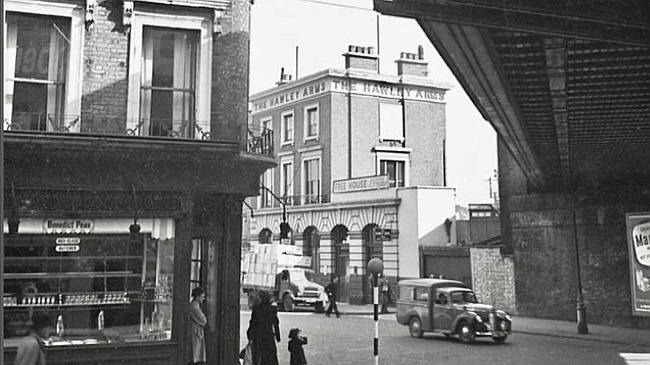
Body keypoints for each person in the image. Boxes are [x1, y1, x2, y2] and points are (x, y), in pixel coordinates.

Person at [247, 290, 280, 365]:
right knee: (270, 355)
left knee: (259, 356)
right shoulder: (272, 309)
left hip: (259, 336)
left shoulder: (256, 309)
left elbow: (253, 324)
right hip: (269, 335)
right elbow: (276, 323)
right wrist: (278, 336)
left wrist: (249, 335)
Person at [189, 287, 207, 365]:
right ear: (197, 296)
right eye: (202, 297)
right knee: (196, 354)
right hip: (196, 332)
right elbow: (203, 320)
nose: (203, 299)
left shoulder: (195, 306)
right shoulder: (194, 307)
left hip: (196, 332)